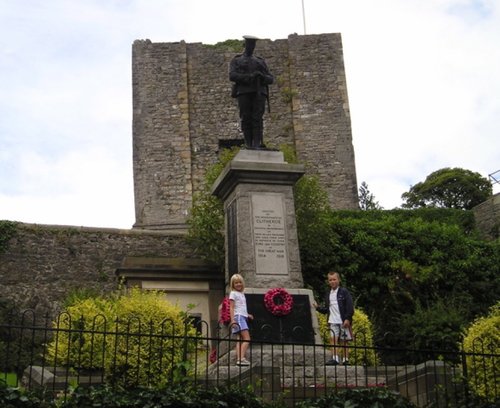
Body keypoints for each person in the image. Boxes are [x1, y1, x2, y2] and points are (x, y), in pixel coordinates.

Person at [229, 35, 274, 149]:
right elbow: (232, 75)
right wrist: (249, 77)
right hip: (244, 91)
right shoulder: (237, 60)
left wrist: (262, 77)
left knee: (257, 118)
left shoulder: (260, 62)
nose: (251, 47)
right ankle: (248, 144)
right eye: (249, 44)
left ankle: (257, 144)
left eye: (253, 45)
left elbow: (270, 78)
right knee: (246, 117)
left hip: (259, 92)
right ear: (245, 45)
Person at [315, 271, 354, 365]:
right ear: (328, 281)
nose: (332, 281)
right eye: (330, 280)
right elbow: (327, 309)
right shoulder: (328, 294)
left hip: (343, 320)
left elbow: (350, 306)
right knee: (333, 340)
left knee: (344, 341)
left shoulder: (344, 292)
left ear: (339, 280)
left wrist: (348, 318)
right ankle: (335, 359)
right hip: (332, 320)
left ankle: (345, 360)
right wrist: (318, 308)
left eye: (334, 279)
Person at [229, 273, 253, 366]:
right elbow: (232, 307)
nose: (238, 284)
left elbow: (241, 306)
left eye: (240, 282)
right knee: (247, 338)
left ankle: (239, 359)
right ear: (233, 284)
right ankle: (242, 358)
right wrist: (232, 320)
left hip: (242, 316)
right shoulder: (233, 293)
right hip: (238, 317)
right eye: (236, 283)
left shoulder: (241, 294)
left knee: (239, 339)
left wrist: (247, 314)